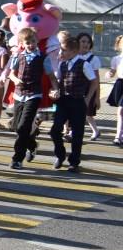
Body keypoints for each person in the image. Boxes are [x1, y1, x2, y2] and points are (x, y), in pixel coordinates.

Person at [7, 27, 58, 169]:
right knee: (16, 127)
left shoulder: (43, 57)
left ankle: (17, 159)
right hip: (19, 94)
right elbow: (11, 74)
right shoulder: (18, 56)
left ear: (37, 41)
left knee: (24, 126)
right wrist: (16, 80)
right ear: (22, 43)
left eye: (33, 41)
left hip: (34, 95)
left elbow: (51, 76)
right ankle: (32, 144)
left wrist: (55, 89)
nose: (31, 44)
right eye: (28, 42)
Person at [49, 36, 98, 173]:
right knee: (55, 130)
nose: (61, 53)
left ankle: (74, 162)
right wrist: (54, 92)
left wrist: (88, 99)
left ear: (73, 51)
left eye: (63, 50)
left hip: (78, 102)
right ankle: (60, 154)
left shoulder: (84, 64)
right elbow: (58, 81)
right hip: (63, 101)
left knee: (77, 133)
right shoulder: (62, 64)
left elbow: (94, 82)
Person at [76, 32, 102, 140]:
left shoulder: (93, 59)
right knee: (76, 112)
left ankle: (95, 131)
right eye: (83, 41)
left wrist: (97, 97)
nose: (86, 44)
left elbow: (96, 79)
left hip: (89, 90)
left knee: (88, 114)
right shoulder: (74, 56)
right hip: (76, 89)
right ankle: (72, 132)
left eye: (88, 42)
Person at [106, 35, 123, 146]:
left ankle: (118, 135)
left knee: (121, 110)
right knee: (121, 111)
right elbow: (112, 71)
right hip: (120, 84)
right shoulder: (116, 59)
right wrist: (109, 74)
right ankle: (119, 135)